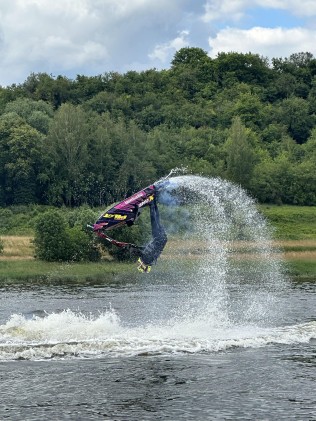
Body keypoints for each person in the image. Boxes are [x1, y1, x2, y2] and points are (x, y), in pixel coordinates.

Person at [135, 196, 167, 273]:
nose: (138, 263)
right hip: (158, 238)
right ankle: (151, 202)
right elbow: (140, 251)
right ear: (143, 265)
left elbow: (146, 249)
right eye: (139, 265)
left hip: (163, 239)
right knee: (154, 219)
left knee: (157, 218)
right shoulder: (146, 260)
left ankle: (154, 200)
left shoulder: (150, 261)